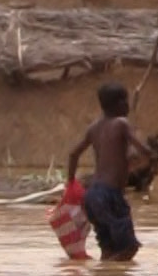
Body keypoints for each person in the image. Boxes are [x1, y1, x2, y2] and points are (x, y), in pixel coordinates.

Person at [65, 81, 152, 262]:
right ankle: (108, 274)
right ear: (116, 104)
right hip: (110, 196)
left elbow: (73, 155)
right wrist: (150, 155)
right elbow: (141, 149)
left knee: (108, 250)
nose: (127, 105)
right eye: (124, 101)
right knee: (128, 249)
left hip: (92, 196)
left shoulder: (93, 128)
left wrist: (70, 183)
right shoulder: (121, 123)